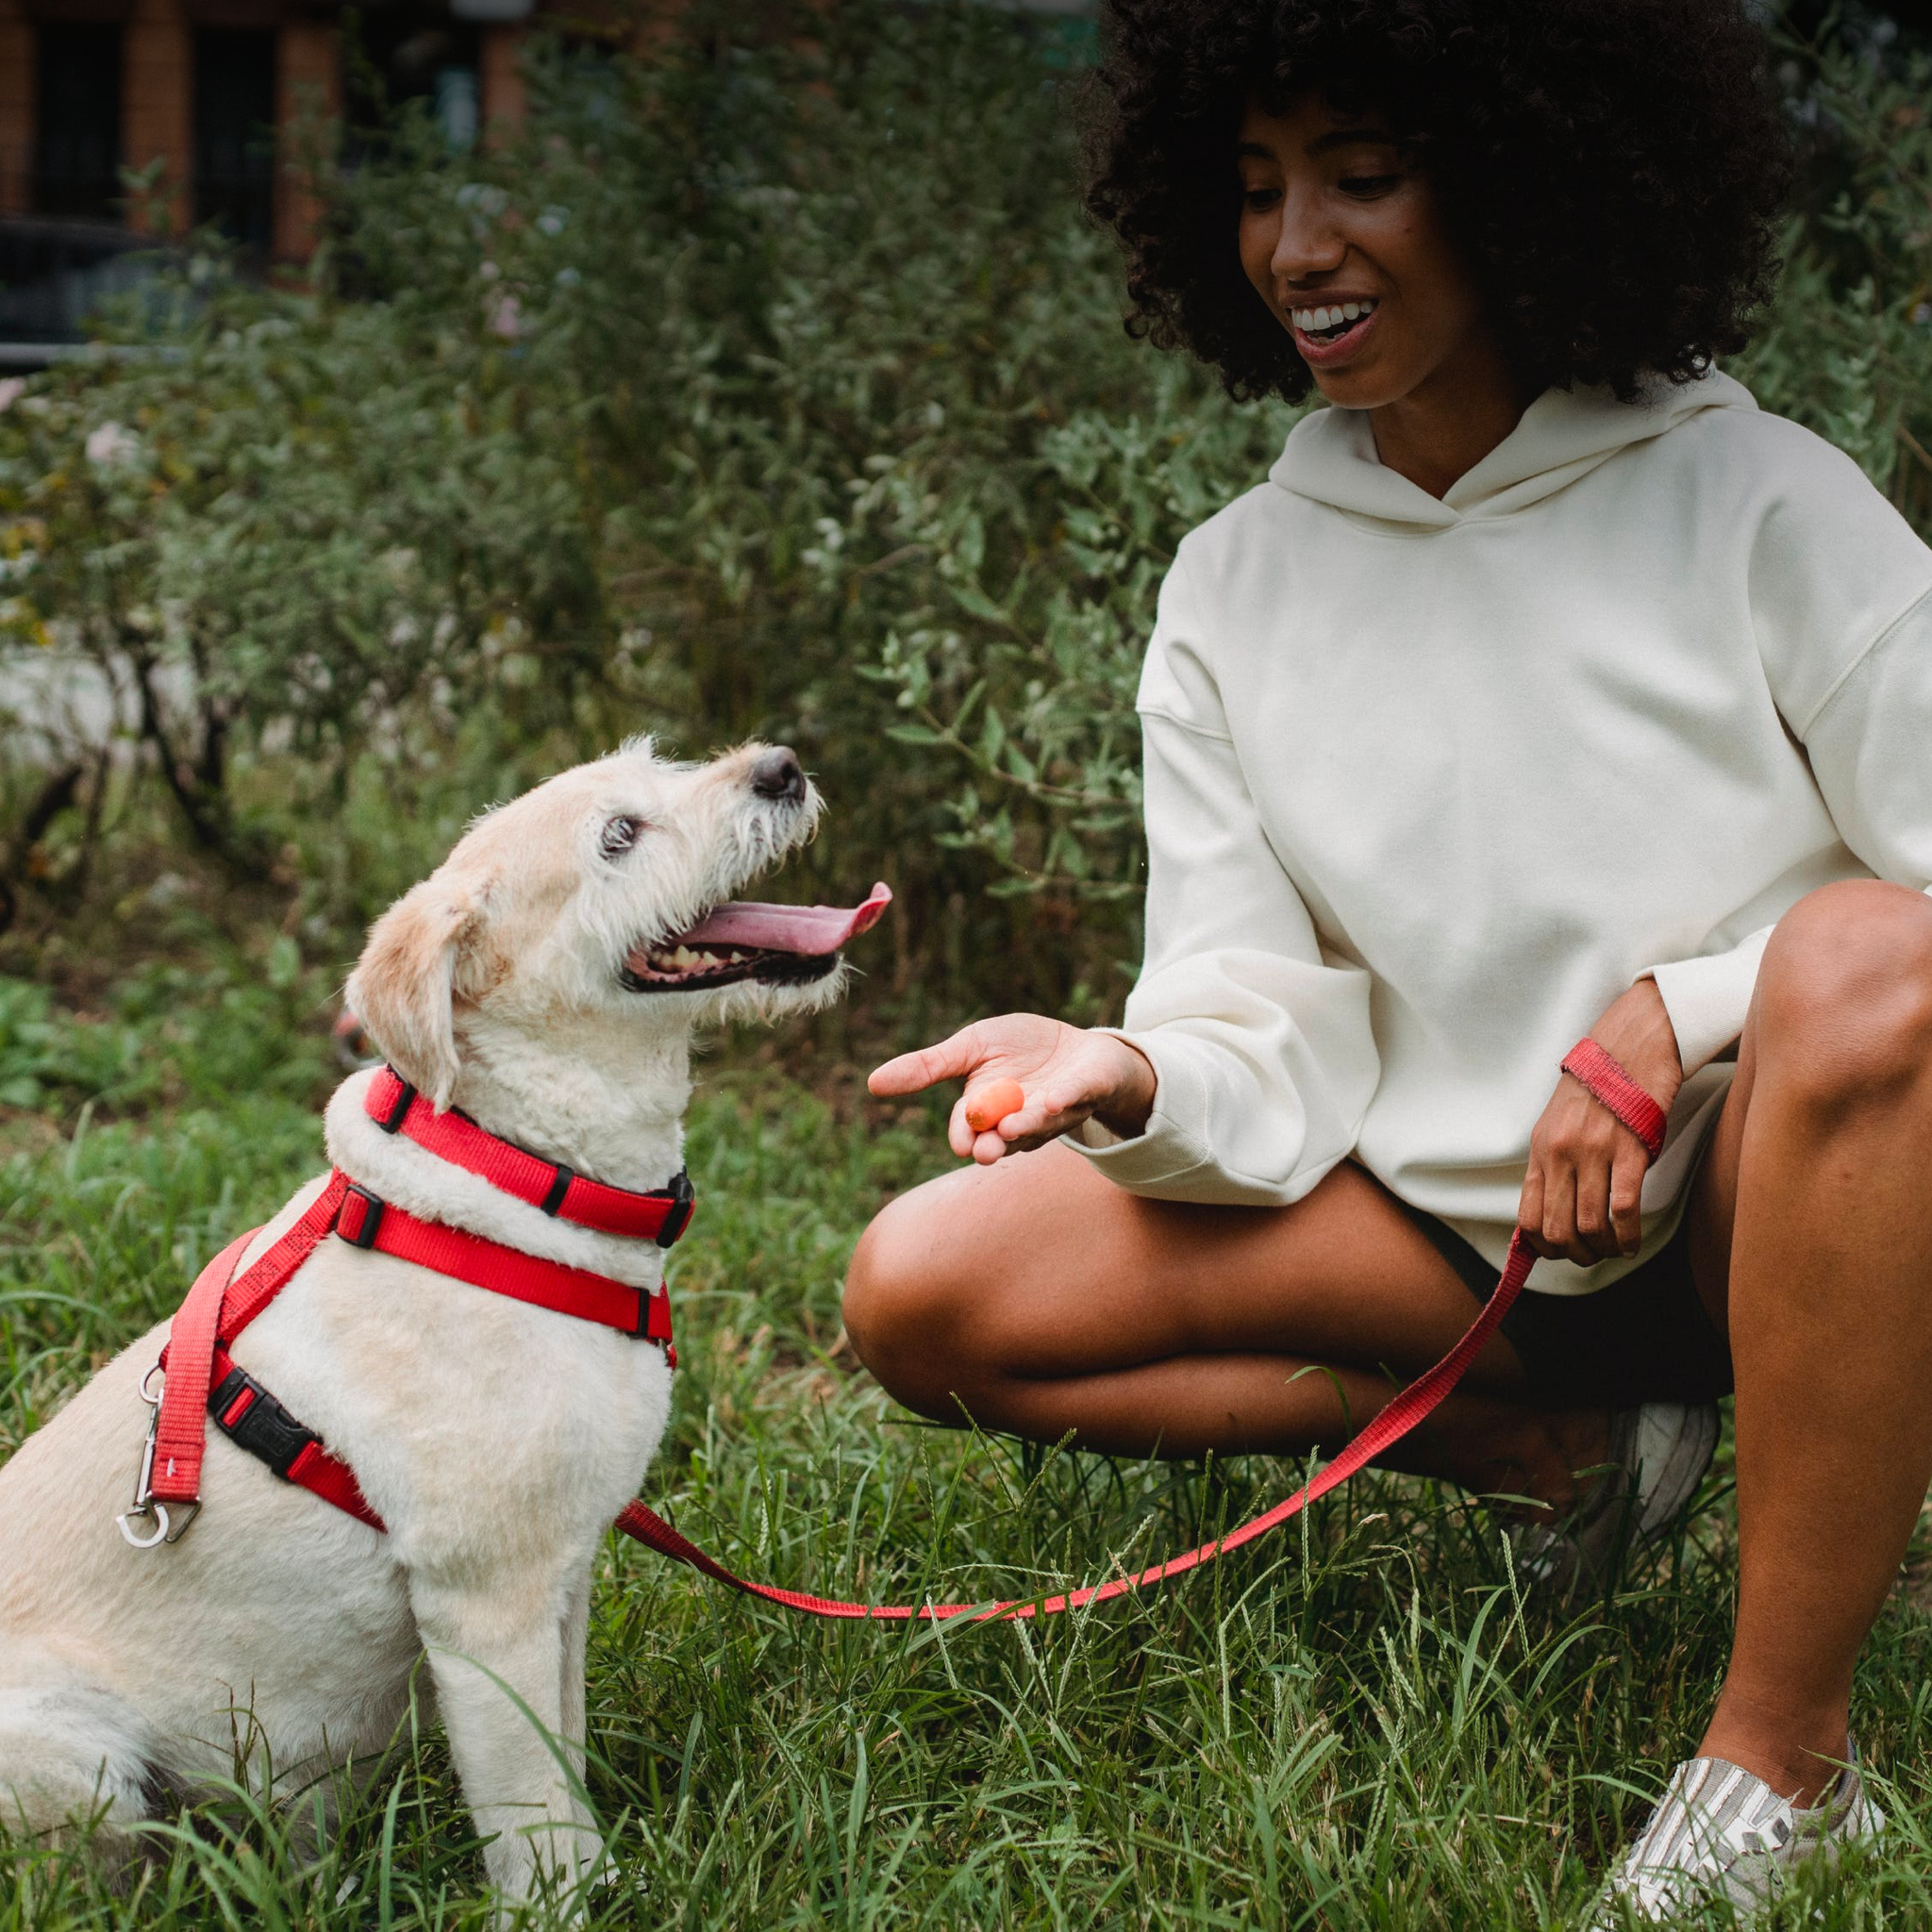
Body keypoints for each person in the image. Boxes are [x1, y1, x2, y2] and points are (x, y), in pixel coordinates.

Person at [840, 0, 1932, 1917]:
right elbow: (1255, 1004)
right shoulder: (1233, 583)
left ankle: (1782, 1754)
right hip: (1468, 1248)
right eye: (1257, 191)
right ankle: (1548, 1441)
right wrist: (1137, 1069)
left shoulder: (1759, 500)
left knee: (1862, 959)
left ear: (1522, 178)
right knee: (922, 1290)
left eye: (1364, 176)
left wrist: (1673, 1019)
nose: (1295, 248)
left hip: (1784, 1211)